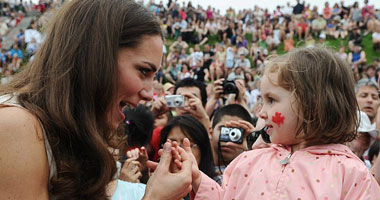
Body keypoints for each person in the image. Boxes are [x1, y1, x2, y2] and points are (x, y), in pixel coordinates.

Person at [0, 0, 191, 199]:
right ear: (97, 58)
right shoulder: (14, 125)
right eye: (143, 71)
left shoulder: (78, 134)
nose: (149, 94)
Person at [151, 46, 380, 199]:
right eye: (262, 100)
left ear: (313, 105)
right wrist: (198, 179)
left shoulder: (350, 172)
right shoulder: (248, 161)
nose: (261, 111)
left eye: (271, 100)